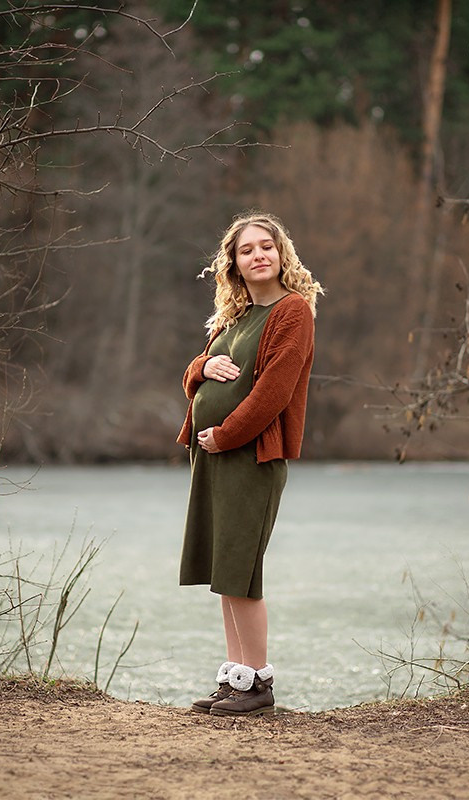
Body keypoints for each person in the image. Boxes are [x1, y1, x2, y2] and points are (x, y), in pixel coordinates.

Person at [177, 212, 323, 716]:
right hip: (214, 456)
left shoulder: (292, 312)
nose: (258, 255)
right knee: (224, 569)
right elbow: (193, 374)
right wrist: (202, 366)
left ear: (281, 254)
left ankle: (258, 686)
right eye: (246, 250)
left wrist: (226, 434)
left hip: (250, 456)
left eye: (266, 246)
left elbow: (274, 392)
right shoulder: (234, 316)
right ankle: (236, 680)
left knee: (243, 569)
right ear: (233, 265)